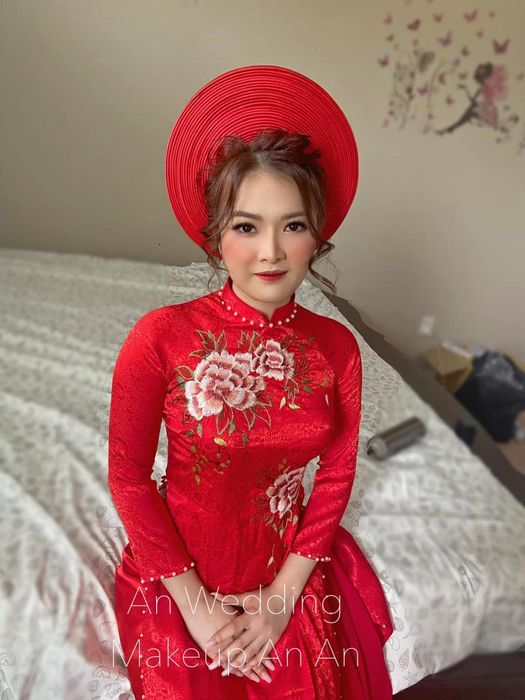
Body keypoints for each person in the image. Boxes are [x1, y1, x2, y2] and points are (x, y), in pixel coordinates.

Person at [108, 65, 394, 699]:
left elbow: (337, 474)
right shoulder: (159, 337)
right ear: (216, 239)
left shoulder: (337, 347)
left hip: (288, 571)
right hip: (179, 576)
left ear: (317, 237)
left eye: (293, 225)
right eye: (247, 226)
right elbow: (128, 478)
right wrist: (197, 608)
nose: (271, 252)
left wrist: (281, 600)